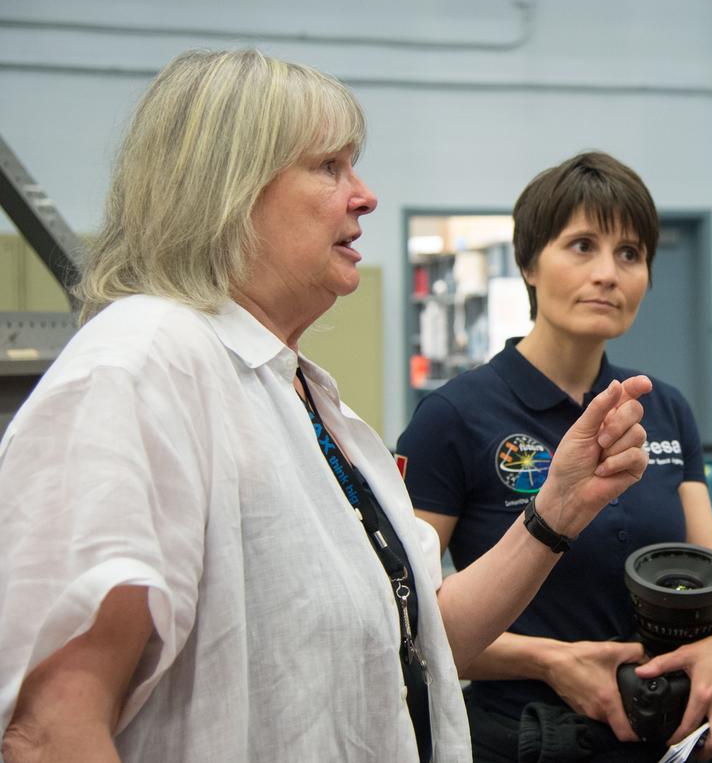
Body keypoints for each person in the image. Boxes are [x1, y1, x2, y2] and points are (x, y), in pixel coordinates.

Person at [0, 49, 653, 763]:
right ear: (229, 186)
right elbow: (47, 731)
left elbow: (411, 647)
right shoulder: (138, 366)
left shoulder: (293, 388)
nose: (365, 195)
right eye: (329, 166)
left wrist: (556, 508)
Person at [396, 151, 712, 762]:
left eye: (630, 254)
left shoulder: (663, 407)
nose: (608, 274)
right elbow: (404, 619)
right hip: (527, 733)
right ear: (528, 264)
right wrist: (550, 661)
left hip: (666, 731)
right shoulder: (455, 416)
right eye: (582, 246)